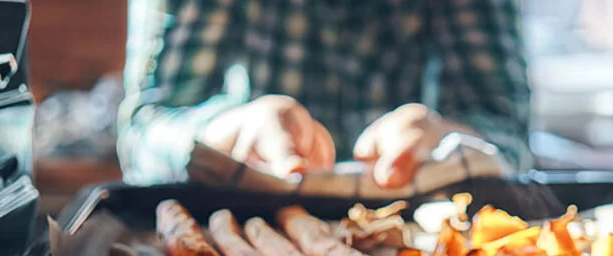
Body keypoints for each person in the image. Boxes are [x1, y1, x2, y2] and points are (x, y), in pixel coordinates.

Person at [118, 0, 530, 189]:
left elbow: (507, 133)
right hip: (243, 219)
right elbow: (145, 129)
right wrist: (225, 131)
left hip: (416, 231)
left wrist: (446, 135)